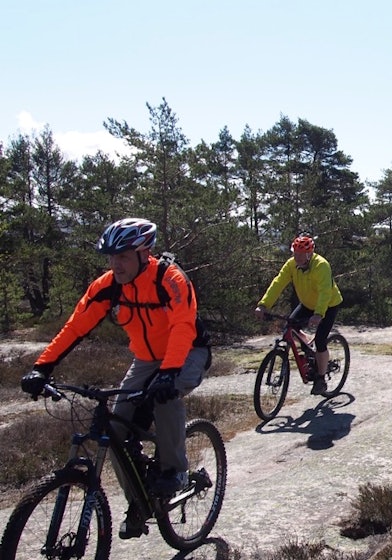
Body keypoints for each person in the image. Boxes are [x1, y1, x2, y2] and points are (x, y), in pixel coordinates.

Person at [20, 218, 211, 540]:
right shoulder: (108, 285)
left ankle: (175, 470)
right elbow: (76, 326)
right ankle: (139, 502)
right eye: (111, 257)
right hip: (147, 359)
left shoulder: (170, 279)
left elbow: (183, 325)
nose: (115, 264)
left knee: (165, 397)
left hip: (188, 351)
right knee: (117, 429)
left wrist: (168, 373)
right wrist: (43, 367)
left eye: (122, 256)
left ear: (143, 253)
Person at [255, 232, 343, 397]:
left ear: (309, 254)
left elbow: (325, 292)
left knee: (321, 340)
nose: (297, 257)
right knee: (290, 326)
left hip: (328, 305)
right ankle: (308, 348)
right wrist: (263, 304)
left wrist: (318, 314)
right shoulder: (291, 265)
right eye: (295, 254)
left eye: (301, 255)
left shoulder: (321, 266)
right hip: (307, 304)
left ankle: (321, 379)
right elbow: (278, 283)